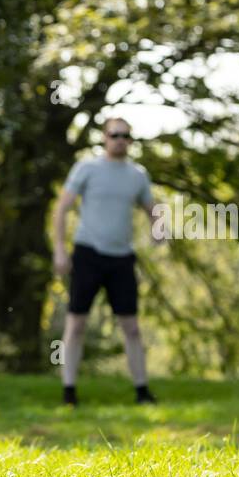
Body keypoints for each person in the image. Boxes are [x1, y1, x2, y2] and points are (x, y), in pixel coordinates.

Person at [52, 117, 165, 407]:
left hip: (121, 258)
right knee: (76, 323)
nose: (120, 140)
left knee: (132, 327)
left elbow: (152, 209)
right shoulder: (86, 168)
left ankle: (142, 391)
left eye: (126, 136)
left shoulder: (138, 175)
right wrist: (60, 251)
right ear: (104, 137)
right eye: (115, 134)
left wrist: (159, 230)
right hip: (88, 253)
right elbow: (62, 208)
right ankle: (69, 392)